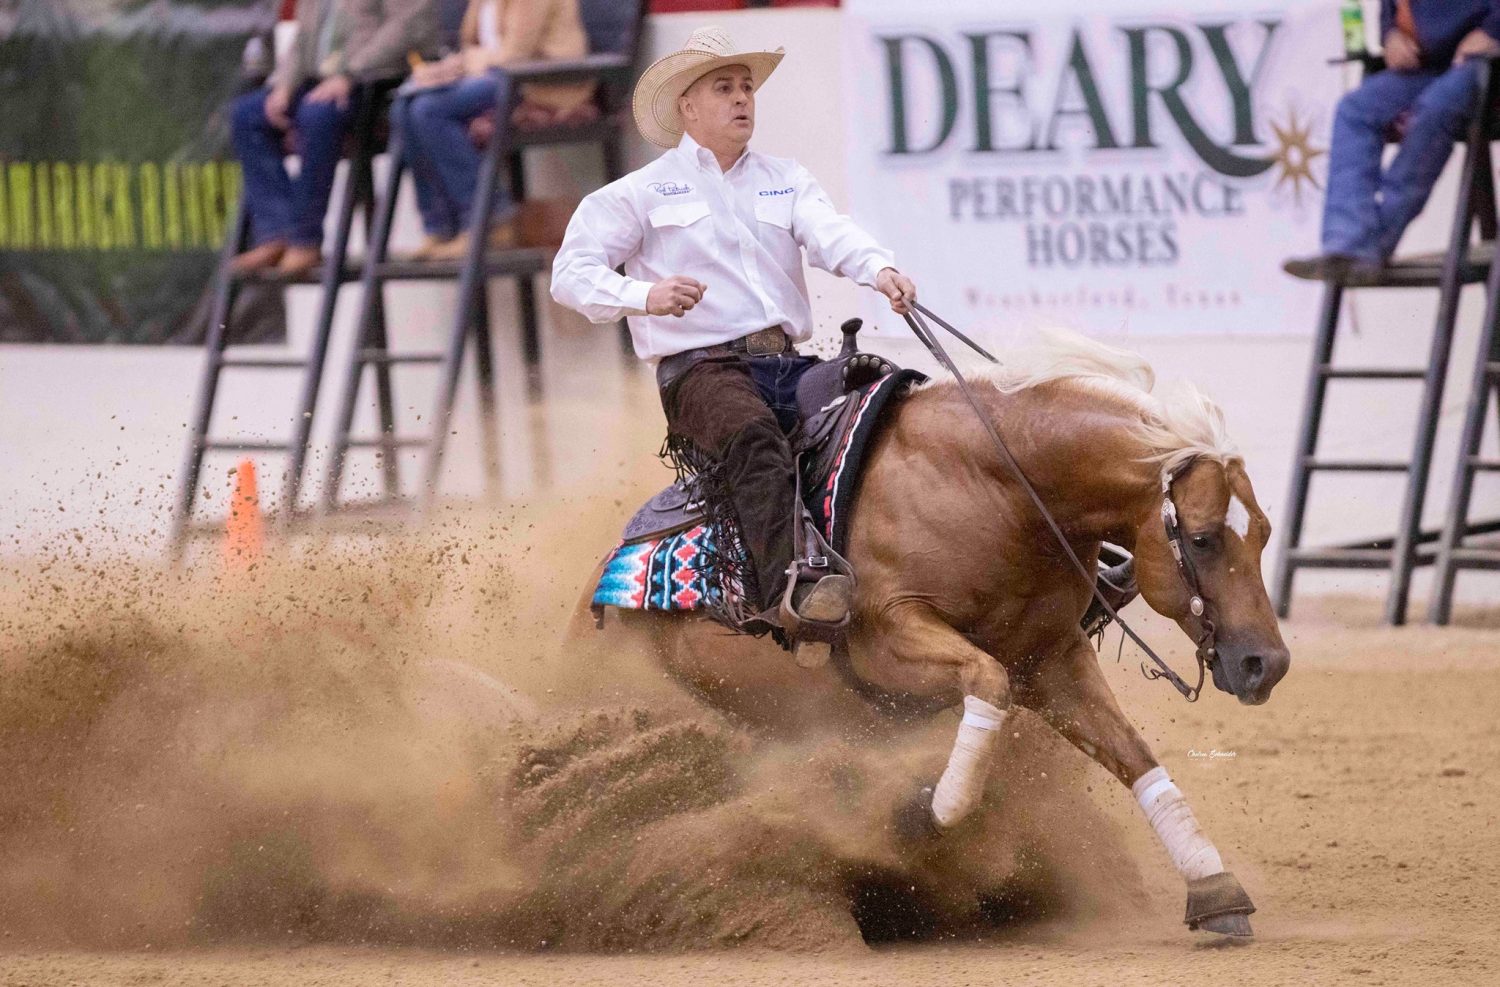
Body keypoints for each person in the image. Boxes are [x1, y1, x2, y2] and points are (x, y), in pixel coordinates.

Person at [550, 26, 917, 632]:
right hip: (700, 371)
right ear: (686, 106)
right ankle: (789, 598)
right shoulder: (638, 193)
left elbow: (831, 232)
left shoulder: (787, 177)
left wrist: (878, 268)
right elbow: (571, 274)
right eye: (724, 87)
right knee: (754, 441)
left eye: (747, 87)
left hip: (786, 363)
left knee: (888, 405)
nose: (742, 98)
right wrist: (645, 295)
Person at [1286, 0, 1500, 281]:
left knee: (1434, 109)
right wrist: (1391, 36)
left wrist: (1493, 31)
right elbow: (1391, 8)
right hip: (1429, 66)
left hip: (1485, 64)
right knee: (1355, 110)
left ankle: (1372, 244)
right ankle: (1346, 241)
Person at [229, 0, 438, 275]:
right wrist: (283, 85)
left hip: (376, 80)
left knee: (317, 115)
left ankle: (305, 239)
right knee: (247, 115)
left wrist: (351, 72)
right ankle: (276, 232)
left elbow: (408, 26)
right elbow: (303, 39)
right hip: (321, 80)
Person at [398, 0, 595, 261]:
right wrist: (447, 68)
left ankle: (488, 219)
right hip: (494, 77)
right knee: (403, 106)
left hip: (538, 82)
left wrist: (467, 62)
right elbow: (473, 46)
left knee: (429, 109)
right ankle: (440, 226)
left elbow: (514, 54)